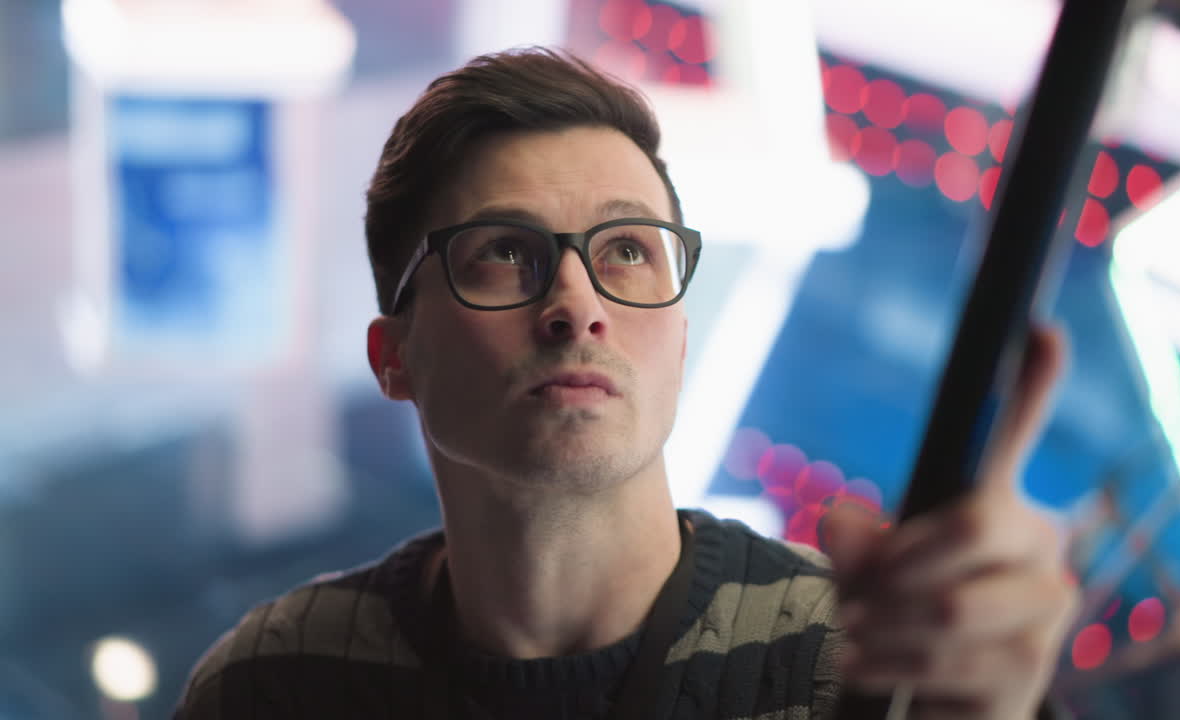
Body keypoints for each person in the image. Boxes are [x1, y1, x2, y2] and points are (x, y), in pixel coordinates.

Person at [174, 47, 1078, 719]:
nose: (577, 306)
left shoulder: (856, 660)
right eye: (504, 253)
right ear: (394, 357)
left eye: (628, 252)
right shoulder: (274, 686)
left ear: (679, 338)